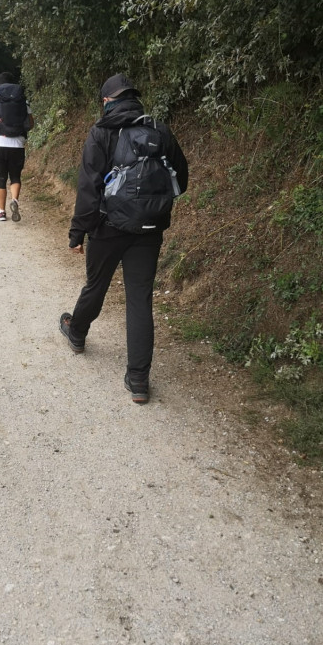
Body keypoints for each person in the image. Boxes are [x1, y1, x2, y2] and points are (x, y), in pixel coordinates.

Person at [59, 73, 188, 404]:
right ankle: (138, 380)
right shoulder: (159, 128)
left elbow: (88, 190)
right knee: (139, 299)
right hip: (149, 229)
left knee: (96, 284)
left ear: (106, 101)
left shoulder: (101, 132)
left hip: (107, 227)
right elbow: (181, 179)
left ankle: (76, 332)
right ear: (134, 98)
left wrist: (78, 233)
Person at [0, 72, 34, 221]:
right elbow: (30, 124)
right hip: (17, 145)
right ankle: (15, 200)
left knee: (1, 178)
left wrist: (0, 123)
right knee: (16, 177)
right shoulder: (23, 101)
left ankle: (1, 212)